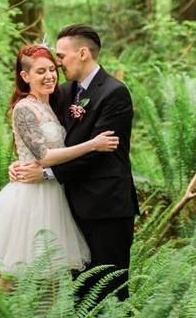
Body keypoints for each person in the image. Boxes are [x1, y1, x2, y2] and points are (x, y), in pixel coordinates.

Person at [10, 24, 139, 304]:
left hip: (107, 207)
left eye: (61, 57)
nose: (57, 64)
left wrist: (45, 173)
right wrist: (22, 163)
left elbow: (98, 153)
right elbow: (40, 134)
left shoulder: (115, 93)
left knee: (111, 288)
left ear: (82, 53)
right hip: (71, 206)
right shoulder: (66, 92)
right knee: (82, 291)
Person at [0, 44, 120, 285]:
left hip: (54, 195)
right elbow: (44, 156)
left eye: (52, 69)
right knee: (13, 274)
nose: (49, 76)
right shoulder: (23, 109)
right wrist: (93, 144)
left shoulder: (53, 104)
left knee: (52, 275)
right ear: (25, 76)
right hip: (29, 198)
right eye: (41, 71)